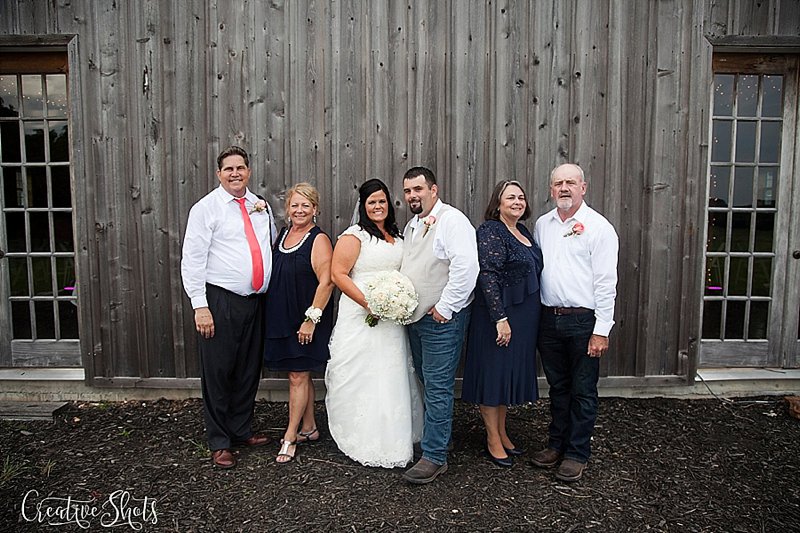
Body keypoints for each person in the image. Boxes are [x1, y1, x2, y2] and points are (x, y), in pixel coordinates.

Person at [180, 145, 277, 469]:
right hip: (220, 300)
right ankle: (220, 441)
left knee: (248, 369)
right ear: (218, 174)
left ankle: (241, 429)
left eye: (240, 168)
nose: (235, 173)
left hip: (256, 301)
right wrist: (200, 306)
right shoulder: (205, 209)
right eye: (228, 169)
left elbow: (268, 245)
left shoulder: (259, 205)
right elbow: (192, 259)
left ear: (249, 171)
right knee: (219, 371)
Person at [325, 179, 423, 468]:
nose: (378, 206)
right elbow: (338, 274)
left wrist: (397, 301)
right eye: (372, 202)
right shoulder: (354, 236)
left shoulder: (397, 235)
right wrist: (370, 303)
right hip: (361, 314)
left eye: (382, 201)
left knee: (390, 373)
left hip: (392, 318)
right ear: (363, 206)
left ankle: (395, 435)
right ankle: (363, 435)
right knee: (364, 372)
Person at [531, 163, 619, 482]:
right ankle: (556, 444)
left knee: (583, 389)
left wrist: (601, 330)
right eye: (558, 183)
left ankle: (577, 452)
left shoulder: (599, 228)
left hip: (583, 322)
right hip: (549, 319)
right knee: (558, 387)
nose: (564, 188)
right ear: (551, 189)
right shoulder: (543, 224)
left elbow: (606, 282)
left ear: (584, 187)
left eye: (570, 182)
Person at [399, 166, 479, 484]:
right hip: (416, 319)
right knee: (426, 380)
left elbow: (466, 267)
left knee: (438, 385)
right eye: (408, 191)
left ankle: (434, 456)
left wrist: (445, 308)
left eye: (418, 189)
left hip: (441, 320)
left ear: (434, 190)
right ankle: (439, 437)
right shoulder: (412, 225)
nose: (412, 196)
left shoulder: (452, 220)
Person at [462, 180, 543, 467]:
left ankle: (502, 432)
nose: (517, 202)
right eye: (510, 198)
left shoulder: (523, 231)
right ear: (498, 204)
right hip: (498, 316)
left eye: (521, 197)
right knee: (493, 375)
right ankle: (492, 439)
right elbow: (488, 274)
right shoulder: (490, 230)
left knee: (506, 375)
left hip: (524, 317)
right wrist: (500, 318)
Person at [263, 183, 334, 463]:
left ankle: (290, 436)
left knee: (298, 376)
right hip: (283, 316)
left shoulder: (319, 239)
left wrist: (310, 320)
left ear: (315, 209)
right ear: (287, 209)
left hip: (306, 320)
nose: (299, 210)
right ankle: (309, 427)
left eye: (305, 205)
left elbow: (327, 282)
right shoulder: (283, 235)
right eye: (295, 205)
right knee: (299, 374)